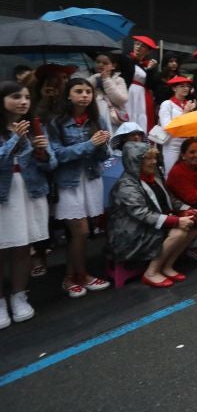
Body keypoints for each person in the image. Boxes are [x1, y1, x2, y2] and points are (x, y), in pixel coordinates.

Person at [48, 77, 112, 297]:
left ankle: (71, 276)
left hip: (91, 178)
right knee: (81, 231)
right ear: (68, 94)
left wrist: (103, 145)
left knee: (81, 234)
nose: (85, 95)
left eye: (88, 91)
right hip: (68, 182)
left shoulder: (97, 119)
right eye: (79, 91)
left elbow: (105, 155)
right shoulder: (56, 122)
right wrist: (90, 144)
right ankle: (81, 275)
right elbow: (56, 156)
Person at [0, 81, 57, 327]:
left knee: (23, 246)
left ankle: (19, 295)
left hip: (29, 190)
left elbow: (51, 164)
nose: (23, 101)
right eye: (16, 96)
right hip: (4, 194)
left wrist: (42, 153)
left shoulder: (36, 127)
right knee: (2, 247)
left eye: (26, 97)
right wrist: (15, 140)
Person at [107, 142, 197, 287]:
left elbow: (170, 199)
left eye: (154, 158)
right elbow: (142, 214)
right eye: (148, 158)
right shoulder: (126, 186)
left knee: (194, 225)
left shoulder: (154, 176)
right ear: (135, 161)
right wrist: (176, 221)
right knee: (178, 232)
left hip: (150, 225)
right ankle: (151, 272)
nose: (154, 162)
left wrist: (188, 209)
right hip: (131, 235)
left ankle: (167, 266)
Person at [157, 76, 196, 177]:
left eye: (187, 86)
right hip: (172, 143)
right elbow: (167, 126)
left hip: (187, 143)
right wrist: (185, 113)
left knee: (187, 174)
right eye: (182, 86)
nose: (186, 88)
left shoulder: (189, 104)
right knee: (171, 173)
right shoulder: (167, 104)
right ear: (174, 88)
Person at [123, 35, 159, 132]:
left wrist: (150, 70)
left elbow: (150, 85)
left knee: (141, 117)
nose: (138, 47)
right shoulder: (126, 60)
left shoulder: (146, 65)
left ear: (148, 51)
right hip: (128, 92)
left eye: (142, 46)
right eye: (137, 44)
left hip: (142, 96)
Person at [86, 52, 129, 134]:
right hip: (94, 116)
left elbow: (121, 99)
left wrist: (106, 80)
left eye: (105, 63)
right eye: (98, 62)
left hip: (112, 118)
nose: (100, 65)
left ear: (113, 66)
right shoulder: (90, 77)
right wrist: (95, 78)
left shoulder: (119, 80)